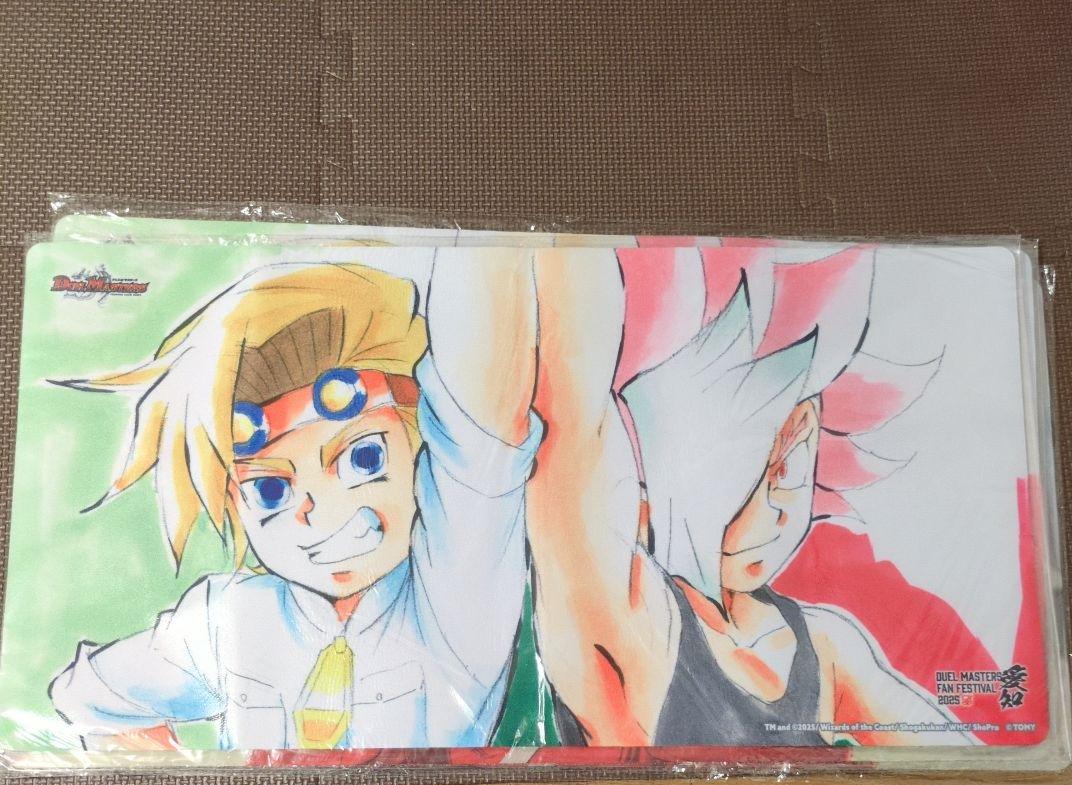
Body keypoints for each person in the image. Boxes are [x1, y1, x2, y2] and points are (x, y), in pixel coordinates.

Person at [49, 253, 542, 751]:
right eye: (270, 490)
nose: (319, 513)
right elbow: (89, 696)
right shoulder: (228, 618)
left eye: (364, 458)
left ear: (416, 441)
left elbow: (479, 425)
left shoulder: (454, 595)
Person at [527, 245, 971, 748]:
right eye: (740, 470)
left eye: (790, 465)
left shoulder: (823, 646)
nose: (776, 506)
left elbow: (961, 753)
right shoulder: (636, 625)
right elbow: (569, 419)